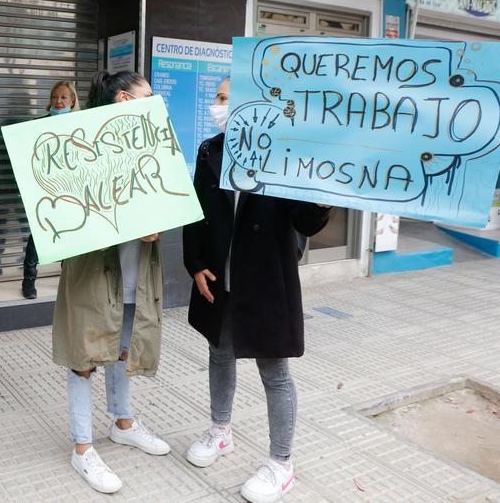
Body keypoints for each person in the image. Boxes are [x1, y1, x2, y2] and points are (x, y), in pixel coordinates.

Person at [182, 77, 331, 503]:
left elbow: (304, 220)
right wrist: (195, 265)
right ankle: (220, 430)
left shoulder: (282, 151)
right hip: (218, 280)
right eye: (217, 97)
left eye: (226, 98)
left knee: (275, 374)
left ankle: (281, 463)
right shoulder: (210, 149)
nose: (218, 105)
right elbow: (196, 213)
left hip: (264, 279)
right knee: (219, 353)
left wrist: (323, 198)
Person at [54, 70, 172, 495]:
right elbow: (69, 212)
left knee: (123, 349)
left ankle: (123, 423)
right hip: (92, 274)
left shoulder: (151, 145)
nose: (154, 101)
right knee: (84, 358)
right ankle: (82, 447)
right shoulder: (80, 145)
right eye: (147, 95)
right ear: (124, 99)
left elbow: (163, 198)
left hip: (134, 274)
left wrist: (156, 226)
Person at [21, 80, 79, 299]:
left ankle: (69, 280)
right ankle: (28, 280)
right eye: (55, 96)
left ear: (72, 101)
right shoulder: (37, 124)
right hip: (43, 187)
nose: (58, 100)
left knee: (70, 232)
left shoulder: (80, 124)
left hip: (71, 188)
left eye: (63, 97)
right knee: (38, 232)